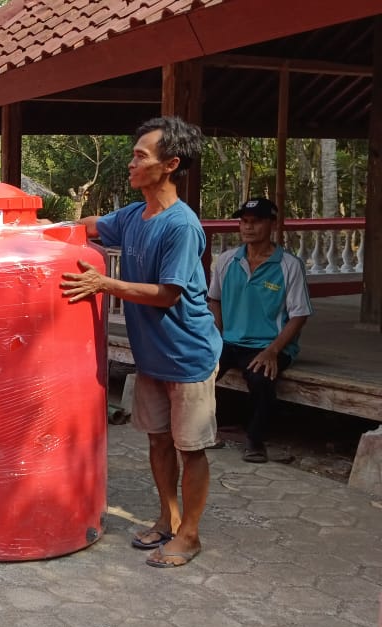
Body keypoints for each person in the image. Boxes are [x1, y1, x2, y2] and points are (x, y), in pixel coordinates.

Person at [60, 116, 221, 569]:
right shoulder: (133, 216)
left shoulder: (180, 226)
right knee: (157, 441)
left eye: (140, 157)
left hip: (187, 354)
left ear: (169, 165)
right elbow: (91, 225)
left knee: (190, 447)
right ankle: (168, 518)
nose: (131, 163)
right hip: (150, 356)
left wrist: (104, 283)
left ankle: (189, 535)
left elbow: (167, 294)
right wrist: (40, 229)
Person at [207, 197, 311, 463]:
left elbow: (299, 315)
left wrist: (273, 351)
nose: (248, 227)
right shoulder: (228, 260)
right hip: (230, 340)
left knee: (261, 379)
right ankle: (199, 428)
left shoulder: (289, 265)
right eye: (244, 222)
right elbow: (214, 299)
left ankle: (255, 440)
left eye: (256, 222)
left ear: (272, 225)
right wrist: (217, 335)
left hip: (270, 344)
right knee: (199, 369)